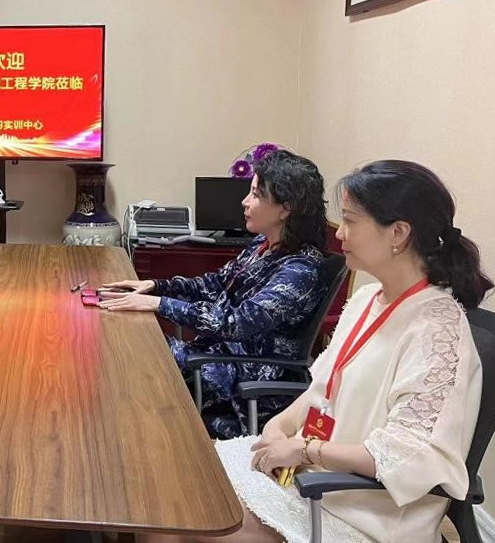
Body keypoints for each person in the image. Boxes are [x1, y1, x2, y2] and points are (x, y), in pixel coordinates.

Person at [143, 160, 490, 543]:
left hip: (361, 512)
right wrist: (279, 427)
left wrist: (307, 450)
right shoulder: (367, 299)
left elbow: (411, 454)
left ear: (399, 233)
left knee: (173, 517)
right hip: (309, 478)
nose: (339, 233)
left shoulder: (437, 330)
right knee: (162, 486)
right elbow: (321, 388)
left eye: (351, 221)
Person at [99, 150, 330, 438]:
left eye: (256, 195)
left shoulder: (300, 270)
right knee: (125, 343)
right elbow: (215, 283)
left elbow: (236, 323)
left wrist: (159, 304)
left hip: (241, 377)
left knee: (135, 357)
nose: (245, 202)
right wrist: (155, 286)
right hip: (216, 356)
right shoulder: (263, 244)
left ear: (285, 208)